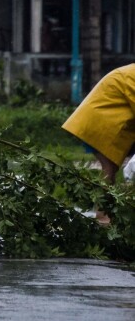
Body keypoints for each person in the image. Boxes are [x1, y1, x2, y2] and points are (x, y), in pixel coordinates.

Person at [62, 63, 135, 223]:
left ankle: (107, 215)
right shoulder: (132, 75)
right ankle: (104, 217)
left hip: (106, 121)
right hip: (98, 122)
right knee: (109, 169)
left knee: (110, 170)